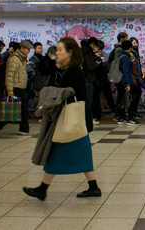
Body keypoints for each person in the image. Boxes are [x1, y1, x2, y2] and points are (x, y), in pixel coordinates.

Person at [23, 37, 101, 201]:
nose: (57, 53)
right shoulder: (72, 68)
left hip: (71, 119)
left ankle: (43, 189)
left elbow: (61, 92)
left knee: (58, 152)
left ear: (70, 52)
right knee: (81, 153)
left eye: (60, 50)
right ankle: (92, 186)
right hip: (77, 119)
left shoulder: (72, 70)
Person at [0, 40, 33, 135]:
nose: (29, 52)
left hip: (22, 86)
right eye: (27, 49)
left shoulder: (22, 58)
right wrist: (10, 89)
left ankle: (24, 128)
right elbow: (9, 75)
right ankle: (0, 123)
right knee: (15, 108)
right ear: (22, 48)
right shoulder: (14, 59)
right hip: (16, 87)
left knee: (23, 108)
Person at [115, 40, 139, 125]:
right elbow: (127, 72)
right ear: (130, 48)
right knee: (129, 100)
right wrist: (129, 84)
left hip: (118, 81)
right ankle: (129, 118)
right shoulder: (125, 58)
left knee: (121, 99)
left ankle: (121, 118)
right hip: (124, 82)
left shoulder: (119, 55)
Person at [82, 38, 99, 124]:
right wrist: (96, 64)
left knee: (88, 99)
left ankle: (87, 118)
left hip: (85, 79)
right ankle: (88, 118)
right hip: (88, 79)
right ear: (91, 44)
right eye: (95, 45)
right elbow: (91, 67)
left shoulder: (83, 52)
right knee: (89, 100)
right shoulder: (88, 53)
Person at [129, 37, 143, 122]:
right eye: (133, 43)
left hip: (136, 76)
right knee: (135, 94)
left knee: (137, 93)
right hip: (133, 77)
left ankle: (133, 112)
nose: (135, 45)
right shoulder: (131, 53)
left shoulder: (135, 53)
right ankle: (131, 113)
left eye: (136, 43)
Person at [29, 42, 44, 108]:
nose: (40, 50)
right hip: (36, 80)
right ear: (34, 49)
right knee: (36, 95)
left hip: (42, 80)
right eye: (39, 48)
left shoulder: (43, 58)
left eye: (41, 48)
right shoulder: (32, 59)